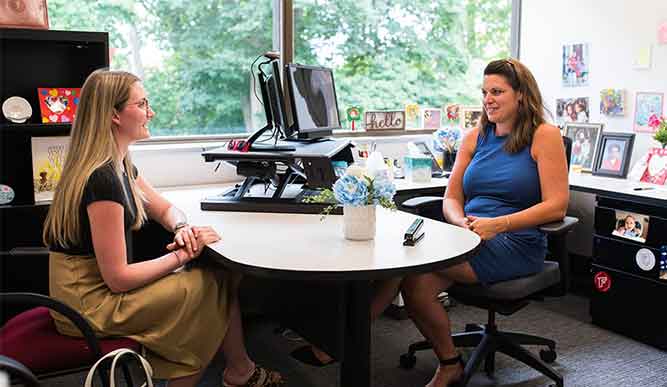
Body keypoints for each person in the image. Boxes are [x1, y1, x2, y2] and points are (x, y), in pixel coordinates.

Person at [43, 70, 283, 387]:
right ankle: (235, 371)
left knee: (217, 279)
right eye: (142, 104)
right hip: (88, 305)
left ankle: (239, 370)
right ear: (114, 115)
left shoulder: (119, 164)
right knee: (208, 286)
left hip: (89, 291)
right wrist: (184, 255)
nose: (151, 112)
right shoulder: (103, 180)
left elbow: (164, 208)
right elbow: (118, 279)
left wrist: (182, 228)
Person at [399, 58, 569, 387]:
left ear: (521, 95)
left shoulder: (544, 135)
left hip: (516, 240)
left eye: (497, 91)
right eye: (484, 92)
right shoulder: (475, 137)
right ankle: (450, 362)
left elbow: (557, 206)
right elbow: (451, 197)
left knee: (408, 261)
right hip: (468, 234)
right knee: (413, 282)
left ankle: (346, 338)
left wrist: (499, 225)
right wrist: (459, 221)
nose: (488, 98)